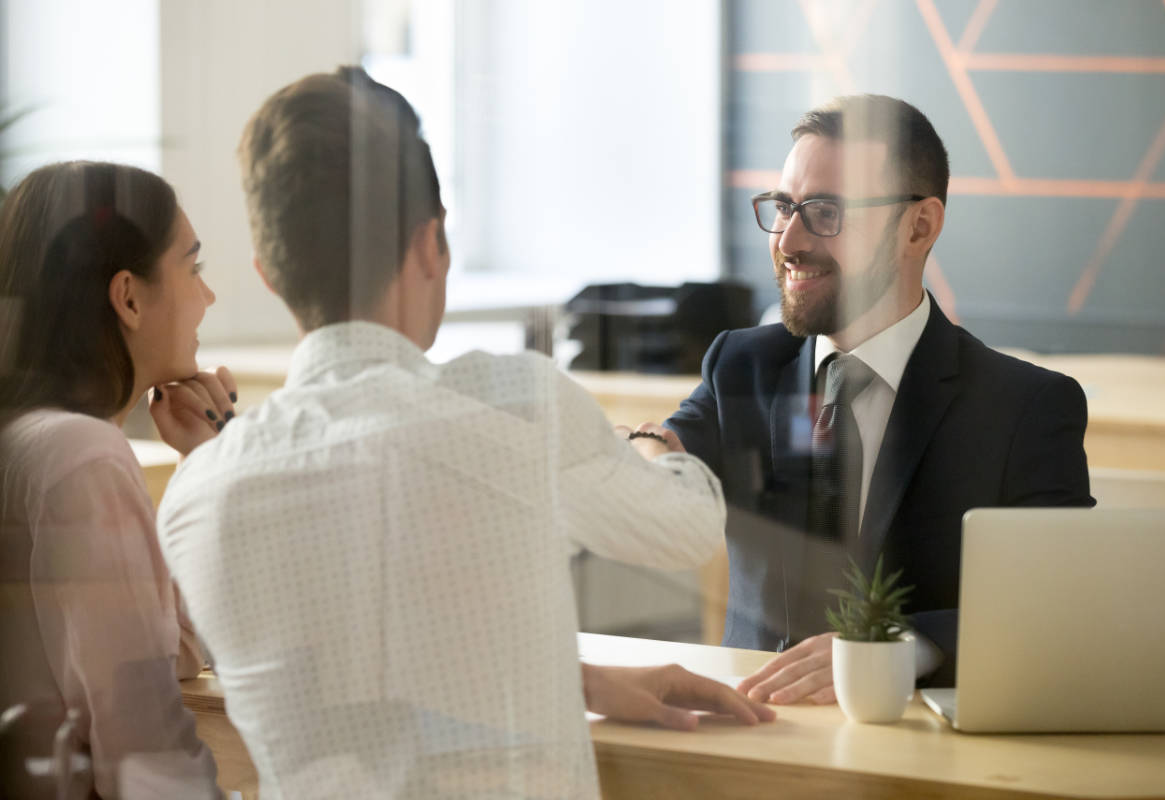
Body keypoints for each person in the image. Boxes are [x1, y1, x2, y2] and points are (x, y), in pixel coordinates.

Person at [156, 67, 771, 799]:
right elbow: (688, 532)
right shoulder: (514, 404)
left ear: (268, 273)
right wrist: (652, 449)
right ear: (430, 242)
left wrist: (578, 678)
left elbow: (356, 681)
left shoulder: (196, 495)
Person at [661, 94, 1093, 702]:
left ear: (919, 226)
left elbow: (1062, 602)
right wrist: (646, 453)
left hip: (920, 753)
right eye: (784, 207)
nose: (789, 240)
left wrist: (897, 647)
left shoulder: (1024, 407)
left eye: (826, 212)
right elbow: (672, 449)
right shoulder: (741, 364)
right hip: (752, 735)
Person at [0, 161, 231, 798]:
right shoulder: (84, 455)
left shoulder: (28, 437)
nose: (207, 297)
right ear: (128, 296)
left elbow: (172, 652)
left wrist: (199, 464)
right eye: (194, 266)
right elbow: (146, 748)